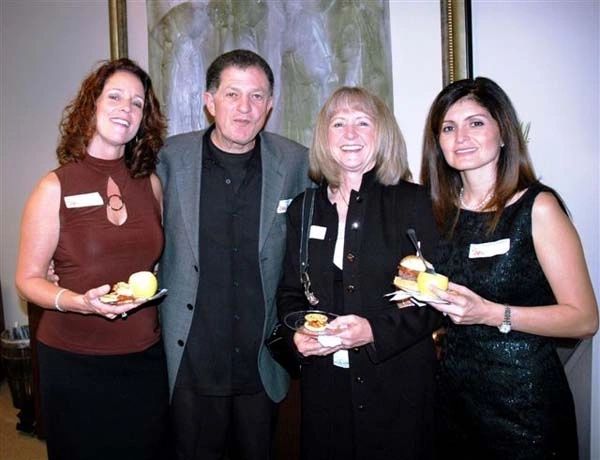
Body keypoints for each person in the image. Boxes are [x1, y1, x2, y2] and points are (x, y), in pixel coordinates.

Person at [420, 76, 599, 459]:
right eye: (449, 128)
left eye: (476, 122)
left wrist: (490, 313)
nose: (461, 136)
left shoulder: (538, 208)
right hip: (453, 401)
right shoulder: (438, 214)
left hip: (524, 404)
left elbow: (584, 319)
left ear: (503, 133)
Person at [157, 49, 312, 460]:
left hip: (260, 365)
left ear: (271, 105)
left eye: (257, 96)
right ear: (209, 102)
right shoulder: (170, 159)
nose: (245, 109)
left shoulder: (296, 161)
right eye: (232, 95)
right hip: (190, 359)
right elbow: (134, 227)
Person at [15, 59, 170, 460]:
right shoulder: (54, 186)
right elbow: (28, 279)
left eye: (137, 103)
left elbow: (151, 257)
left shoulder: (150, 184)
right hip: (73, 360)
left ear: (144, 118)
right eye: (115, 96)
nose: (126, 109)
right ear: (92, 105)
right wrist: (77, 300)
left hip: (143, 355)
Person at [276, 86, 442, 460]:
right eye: (338, 123)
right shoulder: (304, 209)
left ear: (381, 133)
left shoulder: (414, 203)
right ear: (324, 136)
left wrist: (372, 330)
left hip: (398, 388)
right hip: (326, 391)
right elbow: (289, 292)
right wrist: (295, 334)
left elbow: (436, 299)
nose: (349, 134)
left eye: (362, 122)